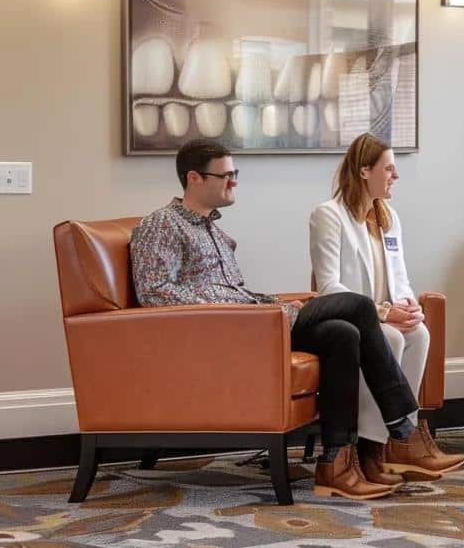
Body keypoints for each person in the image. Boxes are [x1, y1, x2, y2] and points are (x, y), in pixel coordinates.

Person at [130, 138, 419, 501]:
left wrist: (267, 303)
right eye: (226, 175)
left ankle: (336, 464)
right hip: (233, 331)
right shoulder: (161, 225)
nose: (234, 181)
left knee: (343, 333)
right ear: (194, 178)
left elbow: (234, 290)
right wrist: (240, 312)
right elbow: (155, 294)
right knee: (359, 306)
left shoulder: (216, 232)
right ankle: (402, 423)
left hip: (255, 320)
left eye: (235, 174)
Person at [310, 134, 464, 487]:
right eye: (389, 169)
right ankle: (370, 449)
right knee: (392, 338)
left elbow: (400, 276)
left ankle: (394, 443)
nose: (395, 176)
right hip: (355, 317)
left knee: (420, 334)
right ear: (364, 170)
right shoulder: (329, 215)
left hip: (389, 314)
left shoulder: (388, 218)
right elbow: (329, 288)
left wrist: (409, 305)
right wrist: (383, 314)